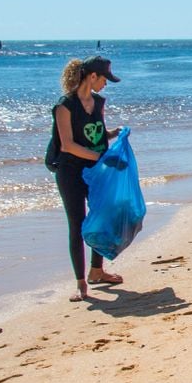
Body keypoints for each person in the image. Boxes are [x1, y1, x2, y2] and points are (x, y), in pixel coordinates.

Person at [52, 56, 124, 301]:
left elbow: (97, 133)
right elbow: (68, 145)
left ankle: (97, 271)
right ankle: (81, 283)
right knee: (78, 223)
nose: (105, 84)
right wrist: (98, 156)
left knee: (100, 217)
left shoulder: (99, 102)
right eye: (104, 79)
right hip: (70, 171)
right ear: (92, 76)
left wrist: (116, 134)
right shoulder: (65, 105)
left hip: (94, 170)